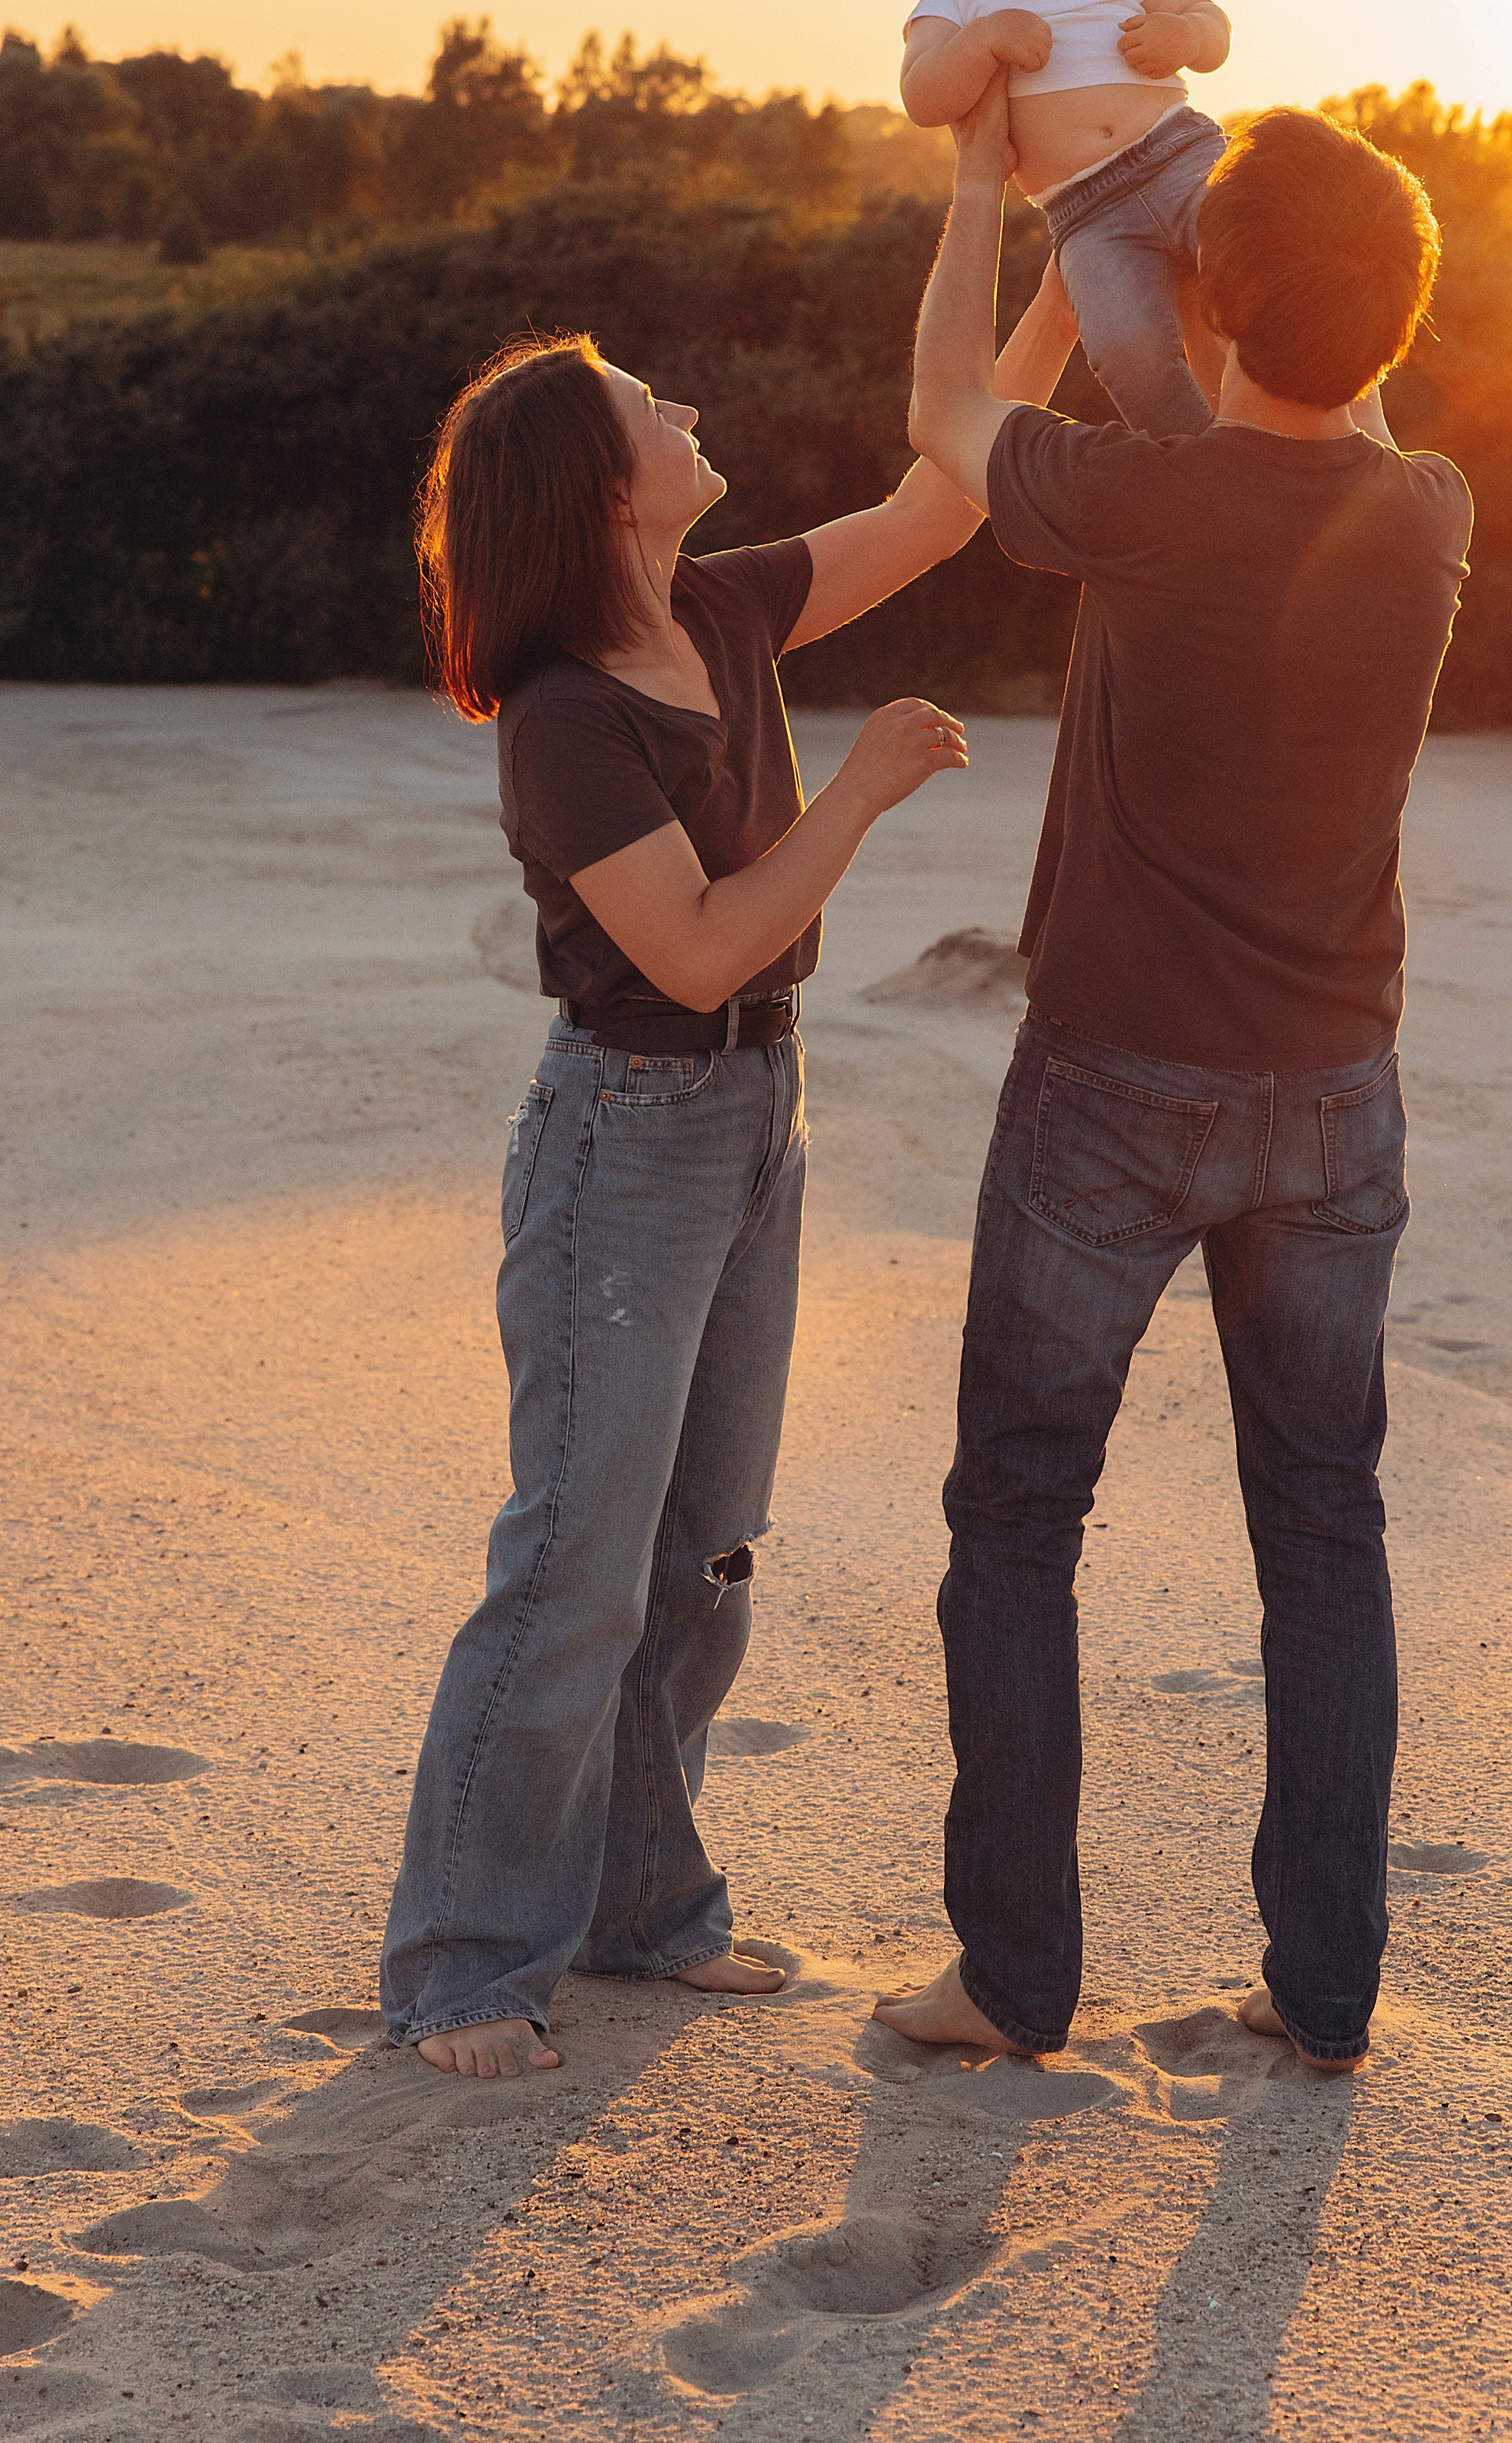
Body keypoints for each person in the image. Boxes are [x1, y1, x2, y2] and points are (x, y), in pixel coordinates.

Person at [381, 292, 1074, 2079]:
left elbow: (944, 500)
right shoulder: (562, 718)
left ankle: (635, 1902)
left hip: (757, 1107)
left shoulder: (720, 600)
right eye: (642, 400)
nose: (682, 398)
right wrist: (854, 799)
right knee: (574, 1563)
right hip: (627, 1124)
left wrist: (1063, 261)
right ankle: (463, 1957)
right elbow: (689, 949)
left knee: (700, 1553)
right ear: (601, 490)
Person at [875, 82, 1473, 2074]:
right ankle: (1325, 1991)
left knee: (1020, 1516)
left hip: (1116, 1086)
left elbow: (947, 419)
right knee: (1325, 1523)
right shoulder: (1426, 512)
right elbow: (1332, 373)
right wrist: (1241, 252)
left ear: (1202, 309)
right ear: (1396, 327)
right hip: (1334, 1097)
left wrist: (986, 187)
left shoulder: (1144, 501)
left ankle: (1012, 1981)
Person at [901, 0, 1231, 439]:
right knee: (1127, 349)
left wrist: (1183, 34)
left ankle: (1281, 431)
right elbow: (921, 94)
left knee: (1254, 280)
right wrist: (984, 41)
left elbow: (1214, 24)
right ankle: (1201, 459)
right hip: (1087, 212)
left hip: (1180, 156)